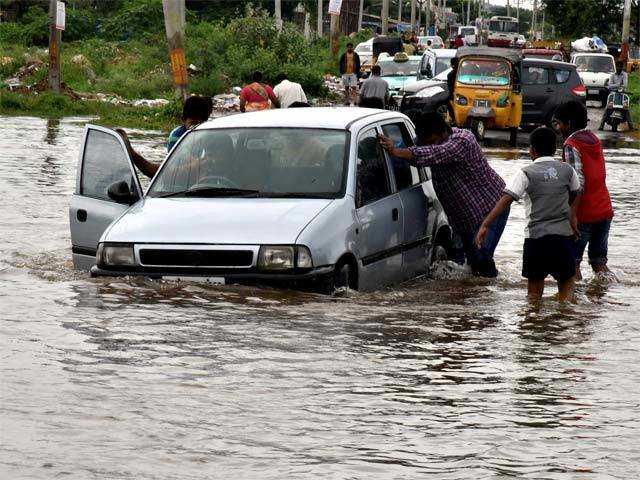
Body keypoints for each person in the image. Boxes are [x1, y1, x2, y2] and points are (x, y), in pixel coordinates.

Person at [379, 111, 508, 277]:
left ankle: (488, 295)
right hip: (465, 218)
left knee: (481, 261)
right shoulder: (428, 142)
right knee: (467, 266)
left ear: (443, 132)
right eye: (426, 142)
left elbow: (435, 153)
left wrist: (397, 151)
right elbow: (415, 153)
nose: (429, 145)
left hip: (492, 209)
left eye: (432, 141)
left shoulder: (463, 140)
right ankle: (473, 297)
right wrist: (396, 150)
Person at [475, 127, 581, 303]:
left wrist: (485, 224)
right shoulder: (568, 171)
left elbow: (505, 200)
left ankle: (532, 324)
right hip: (563, 238)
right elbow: (577, 193)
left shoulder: (525, 172)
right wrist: (573, 217)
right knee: (567, 284)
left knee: (534, 293)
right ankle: (564, 324)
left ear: (532, 150)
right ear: (555, 149)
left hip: (536, 240)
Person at [555, 100, 615, 280]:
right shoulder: (594, 140)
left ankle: (574, 307)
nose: (557, 127)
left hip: (584, 214)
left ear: (569, 124)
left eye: (559, 123)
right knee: (600, 264)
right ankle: (605, 300)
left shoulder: (571, 144)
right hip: (604, 210)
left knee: (572, 264)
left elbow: (578, 183)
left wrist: (572, 215)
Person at [117, 95, 213, 178]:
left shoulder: (209, 135)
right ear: (183, 120)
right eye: (192, 123)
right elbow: (177, 165)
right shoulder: (177, 136)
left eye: (200, 124)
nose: (195, 128)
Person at [599, 63, 635, 131]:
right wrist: (618, 84)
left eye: (620, 67)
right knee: (607, 108)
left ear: (622, 67)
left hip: (622, 94)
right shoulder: (612, 75)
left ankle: (631, 126)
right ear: (616, 67)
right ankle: (601, 125)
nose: (619, 68)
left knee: (626, 109)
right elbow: (609, 85)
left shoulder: (624, 75)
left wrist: (615, 85)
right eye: (617, 67)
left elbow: (625, 85)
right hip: (613, 93)